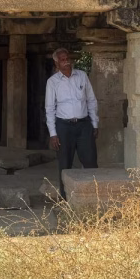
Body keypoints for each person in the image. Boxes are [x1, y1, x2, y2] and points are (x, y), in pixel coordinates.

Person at [45, 47, 98, 199]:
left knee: (90, 161)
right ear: (57, 63)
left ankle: (93, 197)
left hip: (84, 125)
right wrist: (53, 134)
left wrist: (95, 124)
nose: (66, 61)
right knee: (65, 163)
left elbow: (91, 101)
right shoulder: (52, 82)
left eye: (67, 58)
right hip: (64, 127)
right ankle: (65, 199)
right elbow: (49, 108)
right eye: (62, 60)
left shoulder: (82, 76)